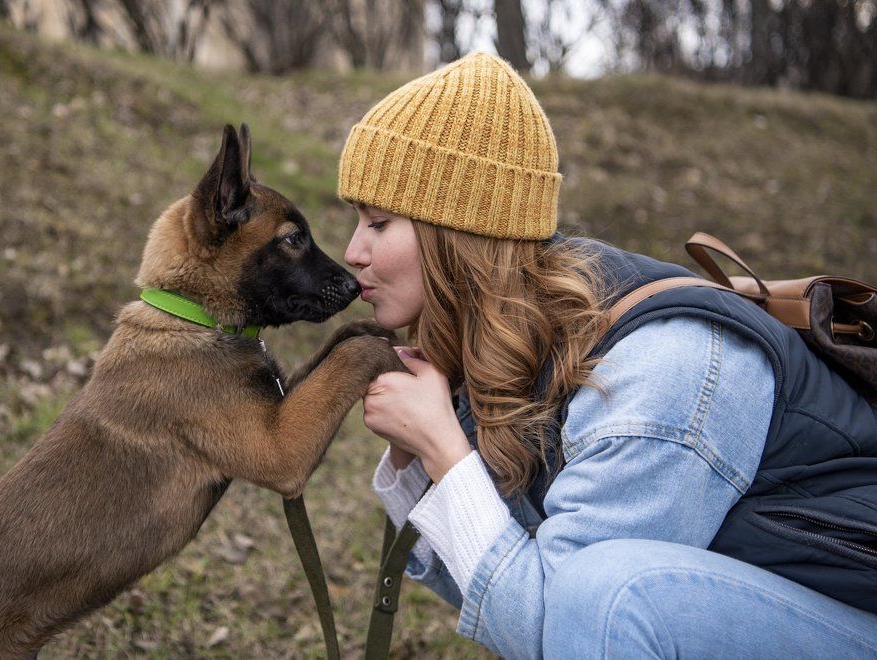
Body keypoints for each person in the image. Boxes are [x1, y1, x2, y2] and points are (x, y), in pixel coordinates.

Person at [336, 51, 877, 659]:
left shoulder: (658, 369)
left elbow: (553, 629)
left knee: (604, 593)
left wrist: (444, 450)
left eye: (378, 222)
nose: (353, 251)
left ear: (457, 233)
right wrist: (419, 459)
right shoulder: (520, 347)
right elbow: (495, 596)